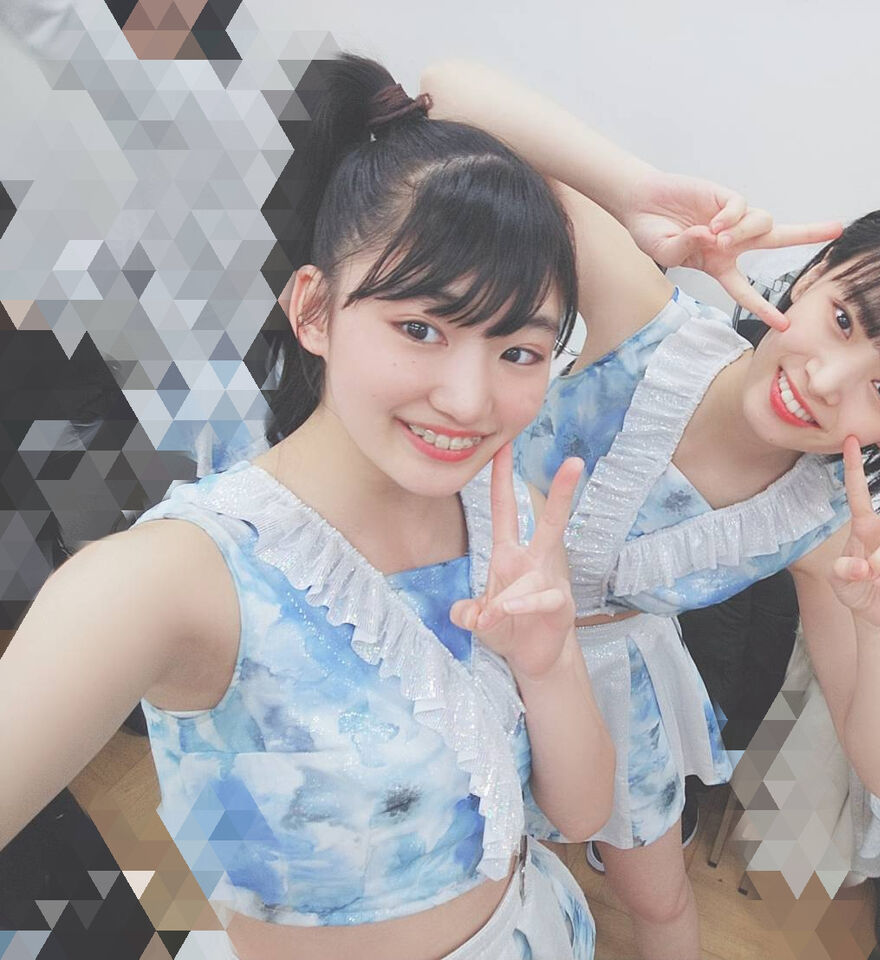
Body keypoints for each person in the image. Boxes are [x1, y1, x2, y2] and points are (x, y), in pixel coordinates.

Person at [0, 54, 614, 960]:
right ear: (315, 310)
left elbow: (582, 814)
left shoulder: (510, 517)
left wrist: (551, 664)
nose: (469, 400)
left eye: (519, 350)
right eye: (420, 328)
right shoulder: (181, 576)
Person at [422, 61, 880, 960]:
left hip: (604, 682)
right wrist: (635, 190)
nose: (826, 381)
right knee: (454, 872)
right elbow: (444, 94)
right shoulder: (644, 323)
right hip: (445, 619)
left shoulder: (816, 527)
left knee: (662, 902)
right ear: (812, 274)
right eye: (844, 320)